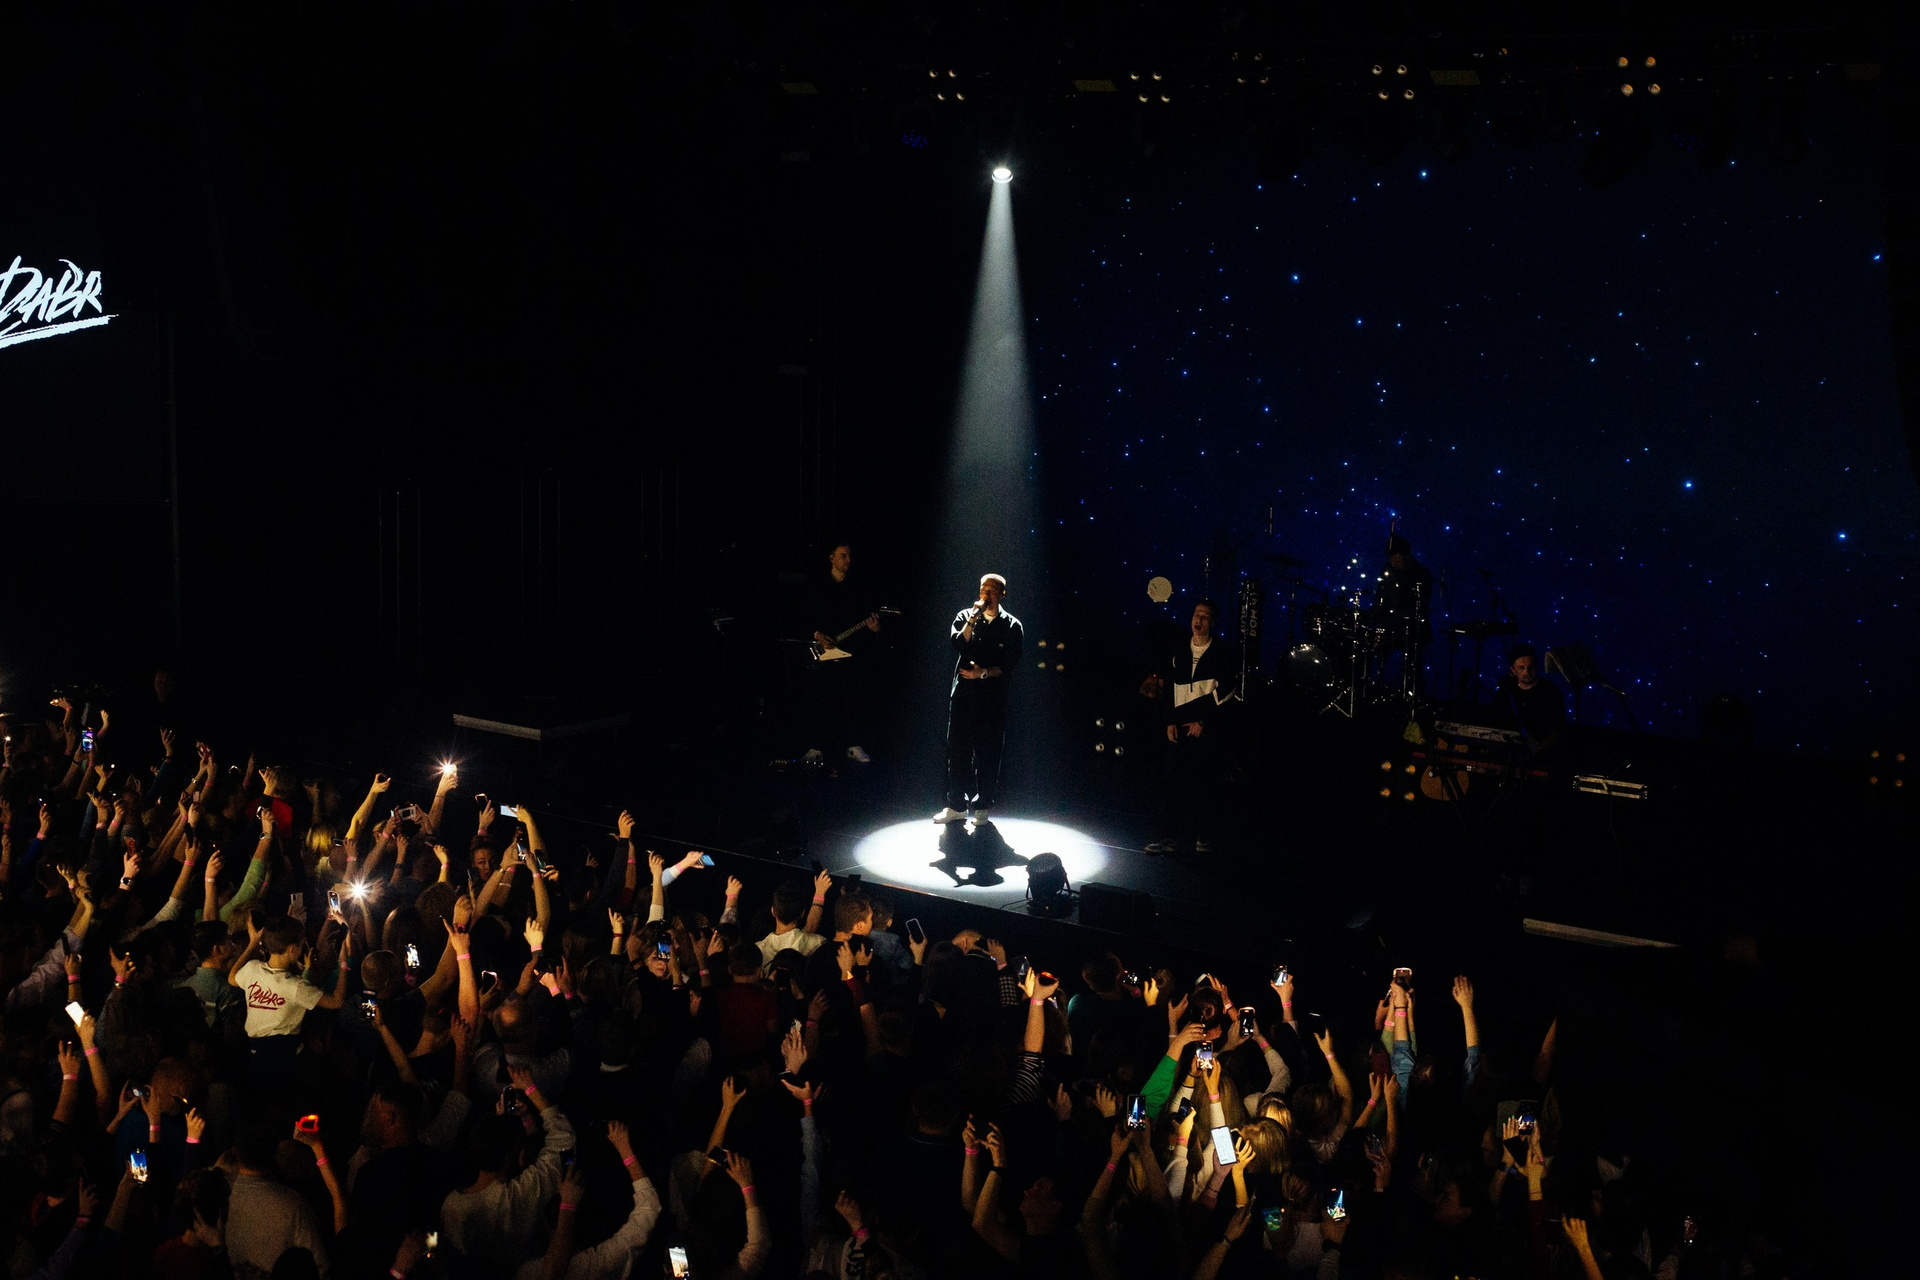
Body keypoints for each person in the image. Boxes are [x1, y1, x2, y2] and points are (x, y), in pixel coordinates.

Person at [1143, 600, 1236, 855]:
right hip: (1180, 729)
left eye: (1205, 616)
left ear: (1212, 622)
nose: (1199, 620)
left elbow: (1226, 694)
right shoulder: (1179, 651)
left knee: (1203, 784)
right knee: (1171, 781)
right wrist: (1170, 721)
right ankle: (1166, 837)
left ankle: (1203, 835)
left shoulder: (1222, 654)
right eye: (1196, 615)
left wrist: (1204, 722)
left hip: (1206, 732)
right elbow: (1170, 690)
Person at [934, 573, 1023, 825]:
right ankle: (956, 806)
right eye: (984, 589)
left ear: (1002, 594)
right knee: (957, 751)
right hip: (963, 696)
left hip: (992, 700)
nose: (987, 594)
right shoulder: (965, 616)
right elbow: (958, 643)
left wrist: (982, 673)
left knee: (988, 753)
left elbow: (1008, 664)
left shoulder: (1012, 625)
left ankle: (982, 806)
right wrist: (972, 618)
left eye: (992, 590)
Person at [802, 541, 883, 766]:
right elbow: (803, 615)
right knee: (821, 699)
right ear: (832, 558)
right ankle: (815, 747)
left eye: (849, 556)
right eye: (843, 555)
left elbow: (867, 622)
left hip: (850, 652)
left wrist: (875, 628)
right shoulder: (818, 585)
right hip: (823, 652)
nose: (848, 560)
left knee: (852, 699)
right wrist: (817, 634)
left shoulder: (857, 588)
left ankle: (853, 745)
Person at [1372, 532, 1433, 698]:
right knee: (1378, 655)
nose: (1395, 562)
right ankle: (1379, 689)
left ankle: (1414, 695)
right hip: (1389, 625)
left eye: (1398, 558)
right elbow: (1380, 598)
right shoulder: (1386, 571)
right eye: (1392, 558)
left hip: (1412, 627)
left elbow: (1422, 601)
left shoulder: (1420, 573)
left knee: (1413, 664)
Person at [1489, 643, 1566, 749]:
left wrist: (1538, 748)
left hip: (1542, 751)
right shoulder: (1506, 691)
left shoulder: (1550, 691)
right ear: (1513, 670)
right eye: (1521, 668)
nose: (1527, 672)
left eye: (1531, 667)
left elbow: (1557, 730)